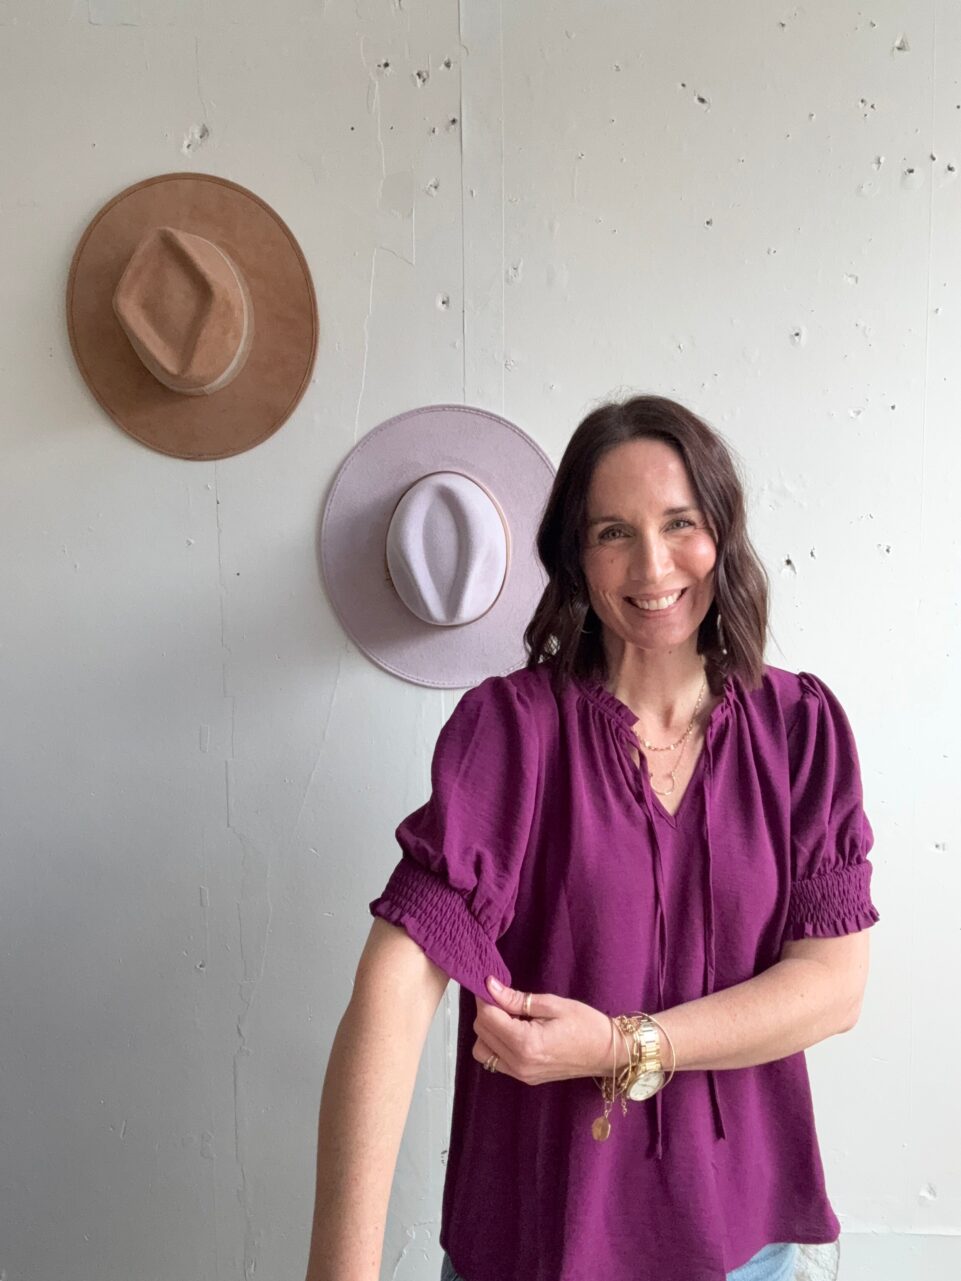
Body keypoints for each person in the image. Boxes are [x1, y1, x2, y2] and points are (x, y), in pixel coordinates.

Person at [304, 395, 880, 1281]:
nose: (652, 565)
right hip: (541, 1246)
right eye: (613, 532)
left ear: (721, 531)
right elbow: (396, 980)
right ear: (575, 554)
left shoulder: (798, 727)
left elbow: (832, 987)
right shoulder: (513, 732)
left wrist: (621, 1044)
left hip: (745, 1252)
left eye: (679, 522)